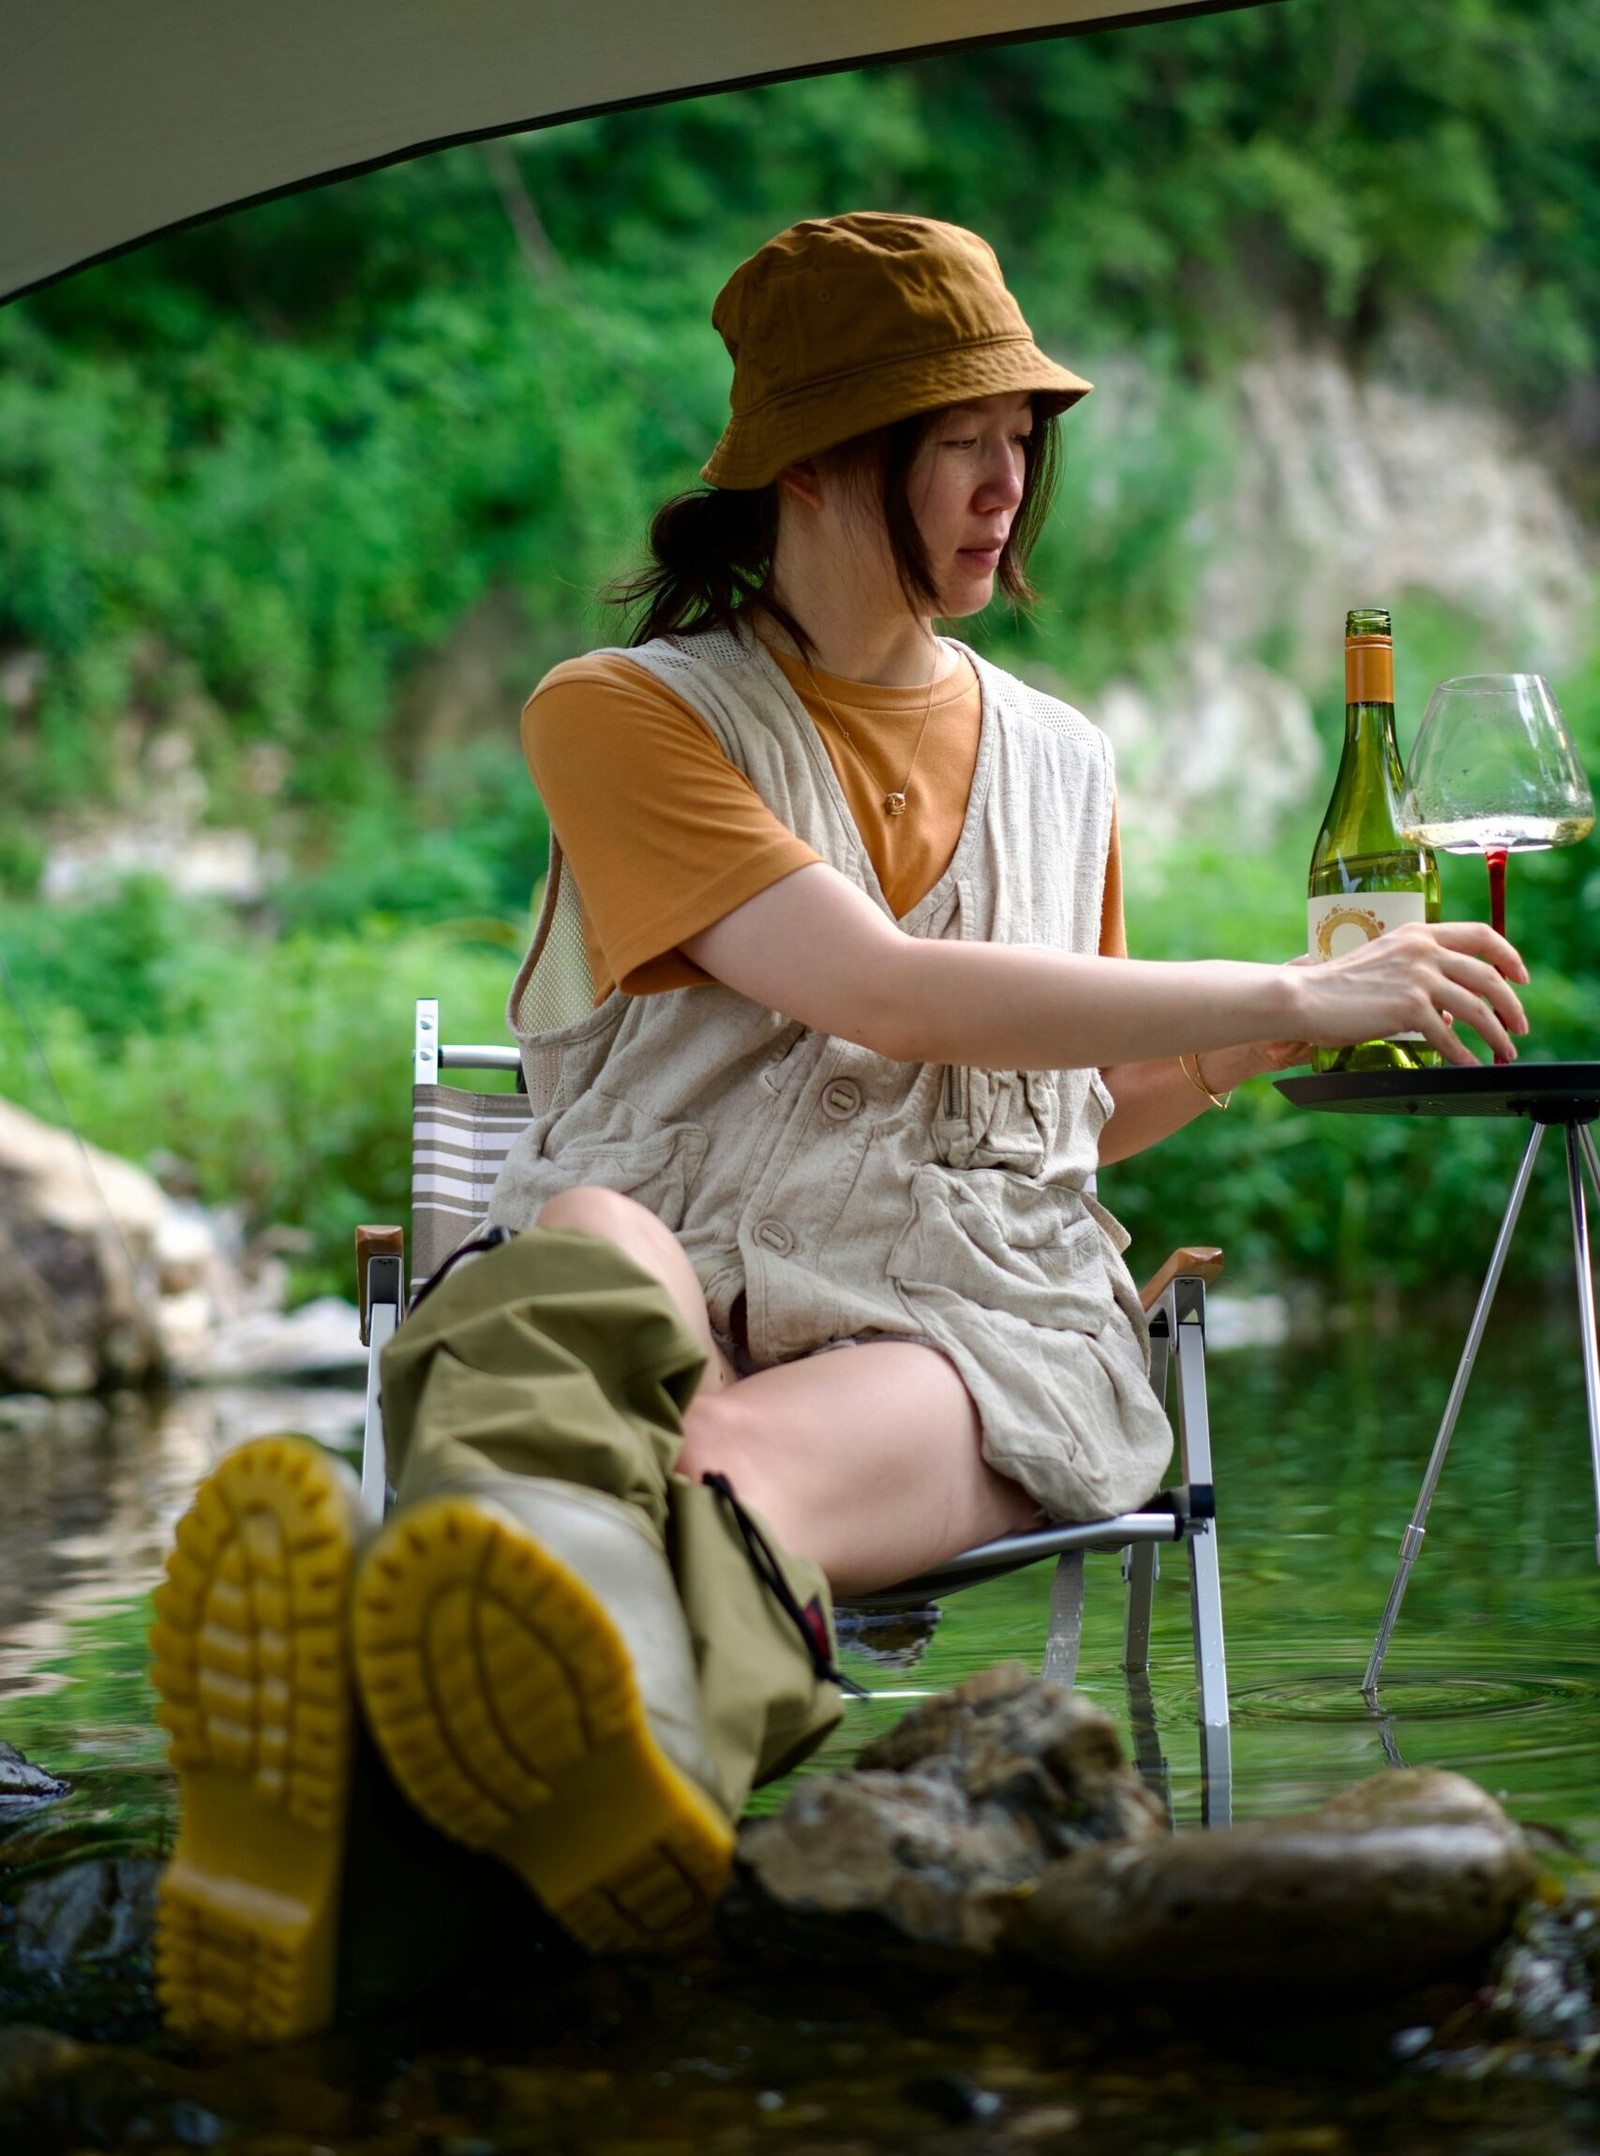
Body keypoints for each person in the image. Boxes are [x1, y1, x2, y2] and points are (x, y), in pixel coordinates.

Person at [150, 213, 1529, 2044]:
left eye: (1024, 438)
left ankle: (358, 1794)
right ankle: (550, 1753)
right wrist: (1277, 993)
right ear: (812, 459)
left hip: (970, 1312)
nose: (1007, 483)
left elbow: (1078, 1120)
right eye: (960, 437)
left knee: (714, 1459)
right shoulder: (626, 715)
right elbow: (876, 987)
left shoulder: (1064, 761)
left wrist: (1245, 1049)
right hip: (672, 1229)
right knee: (584, 1267)